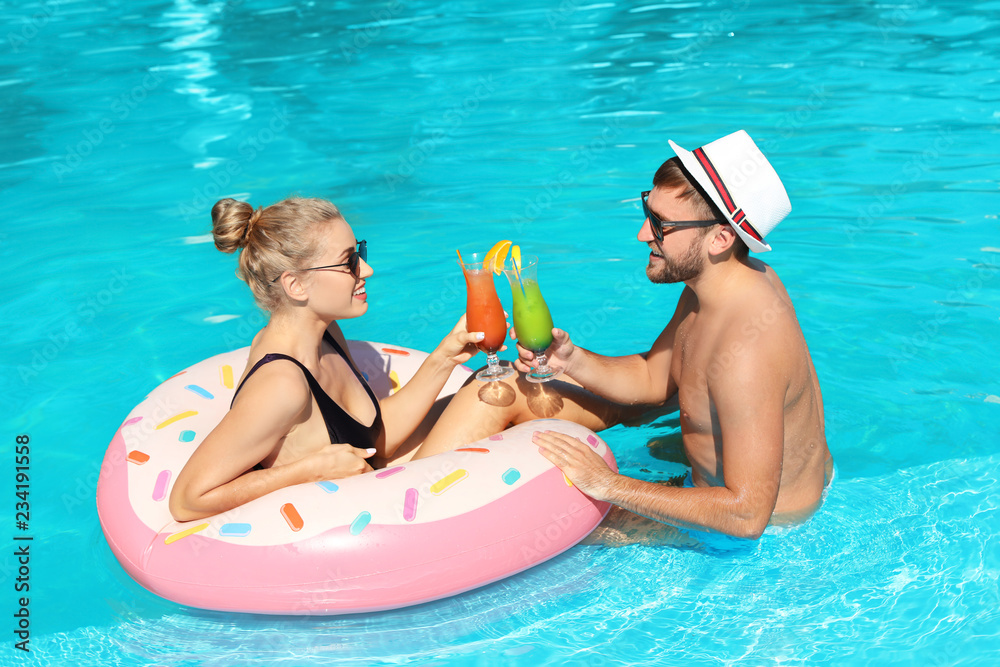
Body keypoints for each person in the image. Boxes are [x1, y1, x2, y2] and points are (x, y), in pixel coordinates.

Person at [415, 130, 831, 541]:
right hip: (715, 496)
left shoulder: (746, 350)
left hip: (765, 532)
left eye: (661, 224)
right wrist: (571, 360)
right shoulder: (715, 287)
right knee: (513, 388)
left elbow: (746, 517)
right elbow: (654, 377)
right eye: (646, 210)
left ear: (720, 239)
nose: (643, 234)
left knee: (535, 521)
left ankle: (416, 524)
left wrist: (608, 483)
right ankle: (412, 490)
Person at [169, 197, 486, 522]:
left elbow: (374, 440)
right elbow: (186, 500)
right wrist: (305, 471)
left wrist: (444, 358)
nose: (367, 270)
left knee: (491, 383)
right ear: (295, 284)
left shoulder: (326, 333)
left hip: (376, 479)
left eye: (359, 252)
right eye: (349, 262)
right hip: (368, 520)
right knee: (502, 398)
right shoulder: (281, 384)